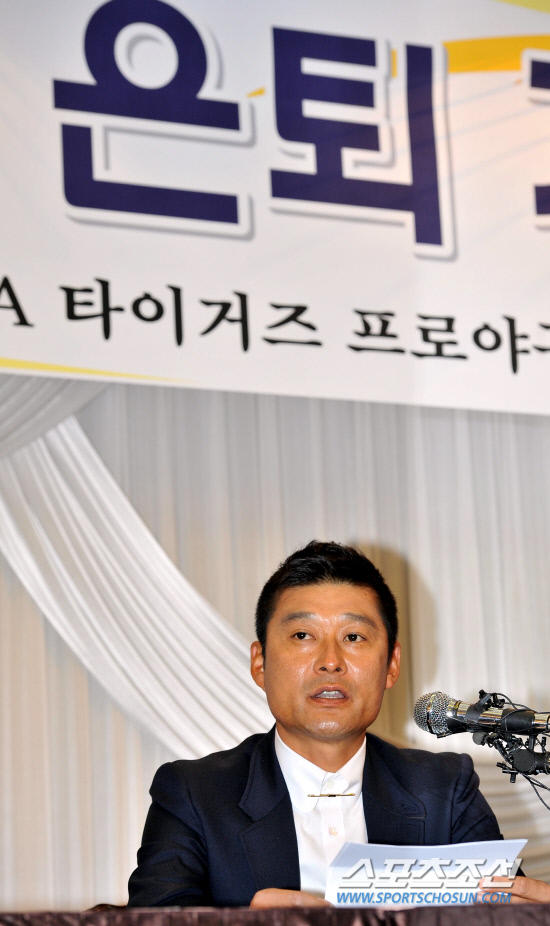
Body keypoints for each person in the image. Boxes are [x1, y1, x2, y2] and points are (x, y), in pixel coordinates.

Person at [127, 541, 503, 908]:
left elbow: (504, 912)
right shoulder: (194, 795)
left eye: (353, 637)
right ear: (260, 664)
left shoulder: (445, 791)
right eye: (302, 635)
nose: (330, 661)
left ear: (391, 664)